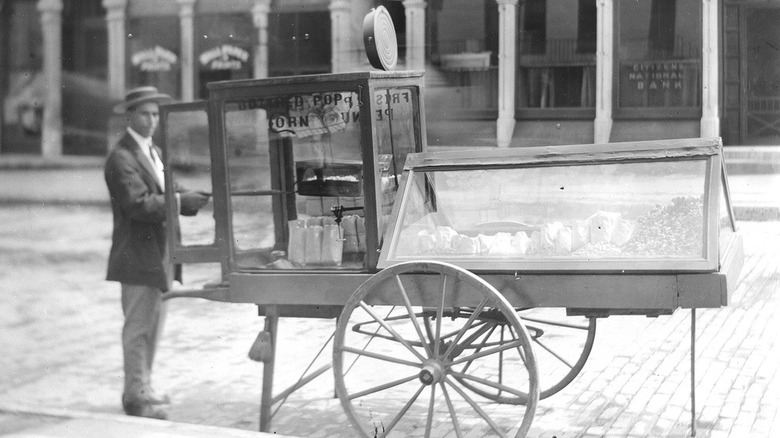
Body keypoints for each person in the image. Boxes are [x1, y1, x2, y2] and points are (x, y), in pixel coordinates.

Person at [104, 86, 210, 419]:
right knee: (138, 327)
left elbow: (166, 189)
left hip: (160, 253)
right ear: (130, 116)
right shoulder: (120, 157)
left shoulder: (154, 152)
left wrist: (190, 195)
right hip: (136, 254)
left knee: (154, 324)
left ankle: (143, 388)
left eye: (155, 114)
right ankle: (135, 395)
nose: (152, 120)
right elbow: (138, 204)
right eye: (145, 114)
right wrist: (179, 202)